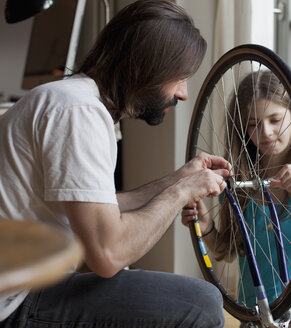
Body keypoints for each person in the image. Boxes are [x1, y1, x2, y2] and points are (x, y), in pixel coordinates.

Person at [0, 1, 230, 327]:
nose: (184, 94)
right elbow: (108, 255)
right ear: (148, 67)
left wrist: (178, 179)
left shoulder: (74, 101)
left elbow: (97, 209)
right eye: (179, 78)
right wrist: (180, 192)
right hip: (13, 303)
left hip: (23, 286)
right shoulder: (79, 113)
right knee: (202, 304)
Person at [181, 70, 291, 327]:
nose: (266, 132)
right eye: (253, 124)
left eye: (275, 119)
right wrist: (205, 227)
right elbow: (227, 250)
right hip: (257, 309)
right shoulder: (237, 181)